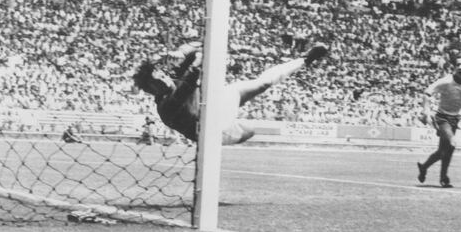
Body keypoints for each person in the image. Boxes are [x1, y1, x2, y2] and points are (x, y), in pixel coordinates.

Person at [133, 43, 328, 145]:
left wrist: (182, 52)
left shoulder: (172, 79)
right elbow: (192, 77)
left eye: (162, 74)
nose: (164, 77)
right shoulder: (166, 106)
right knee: (249, 129)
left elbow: (199, 47)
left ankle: (305, 60)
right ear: (151, 88)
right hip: (215, 129)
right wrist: (194, 58)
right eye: (157, 79)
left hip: (214, 105)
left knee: (263, 83)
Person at [416, 56, 461, 188]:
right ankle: (444, 178)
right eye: (458, 65)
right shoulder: (446, 81)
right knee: (452, 144)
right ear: (454, 67)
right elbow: (427, 93)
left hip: (455, 118)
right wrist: (426, 111)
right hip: (442, 117)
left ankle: (424, 166)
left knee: (443, 151)